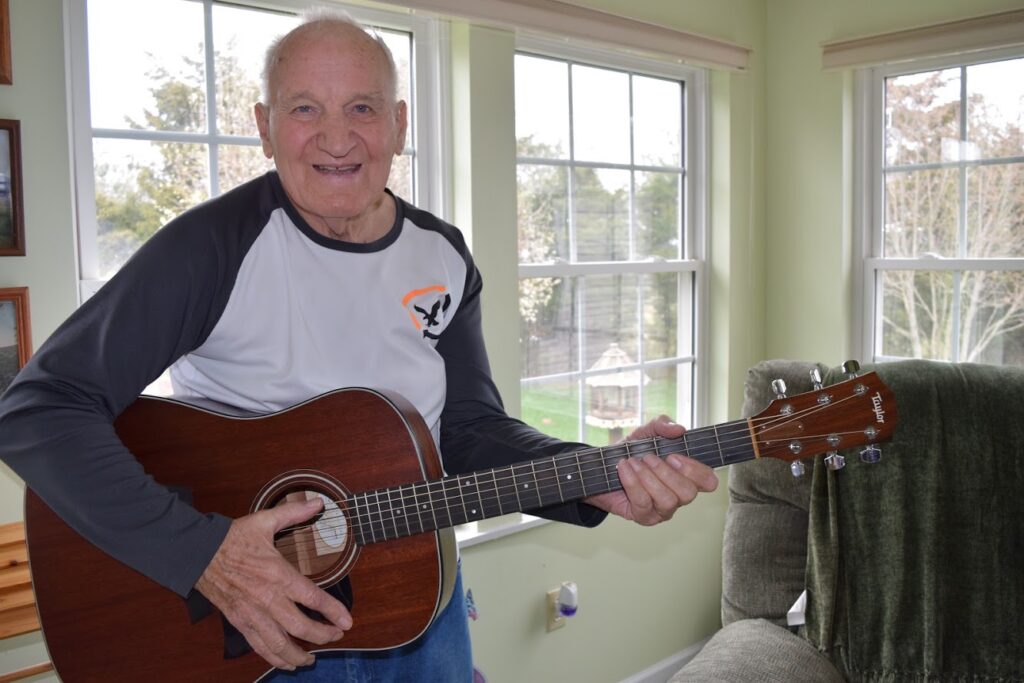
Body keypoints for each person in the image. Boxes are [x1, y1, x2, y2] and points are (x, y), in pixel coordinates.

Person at [0, 9, 717, 681]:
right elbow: (38, 408)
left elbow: (465, 432)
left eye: (363, 108)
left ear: (399, 123)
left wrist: (592, 474)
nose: (336, 137)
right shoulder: (211, 248)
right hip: (255, 626)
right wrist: (206, 554)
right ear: (265, 125)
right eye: (305, 108)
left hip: (422, 606)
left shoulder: (442, 255)